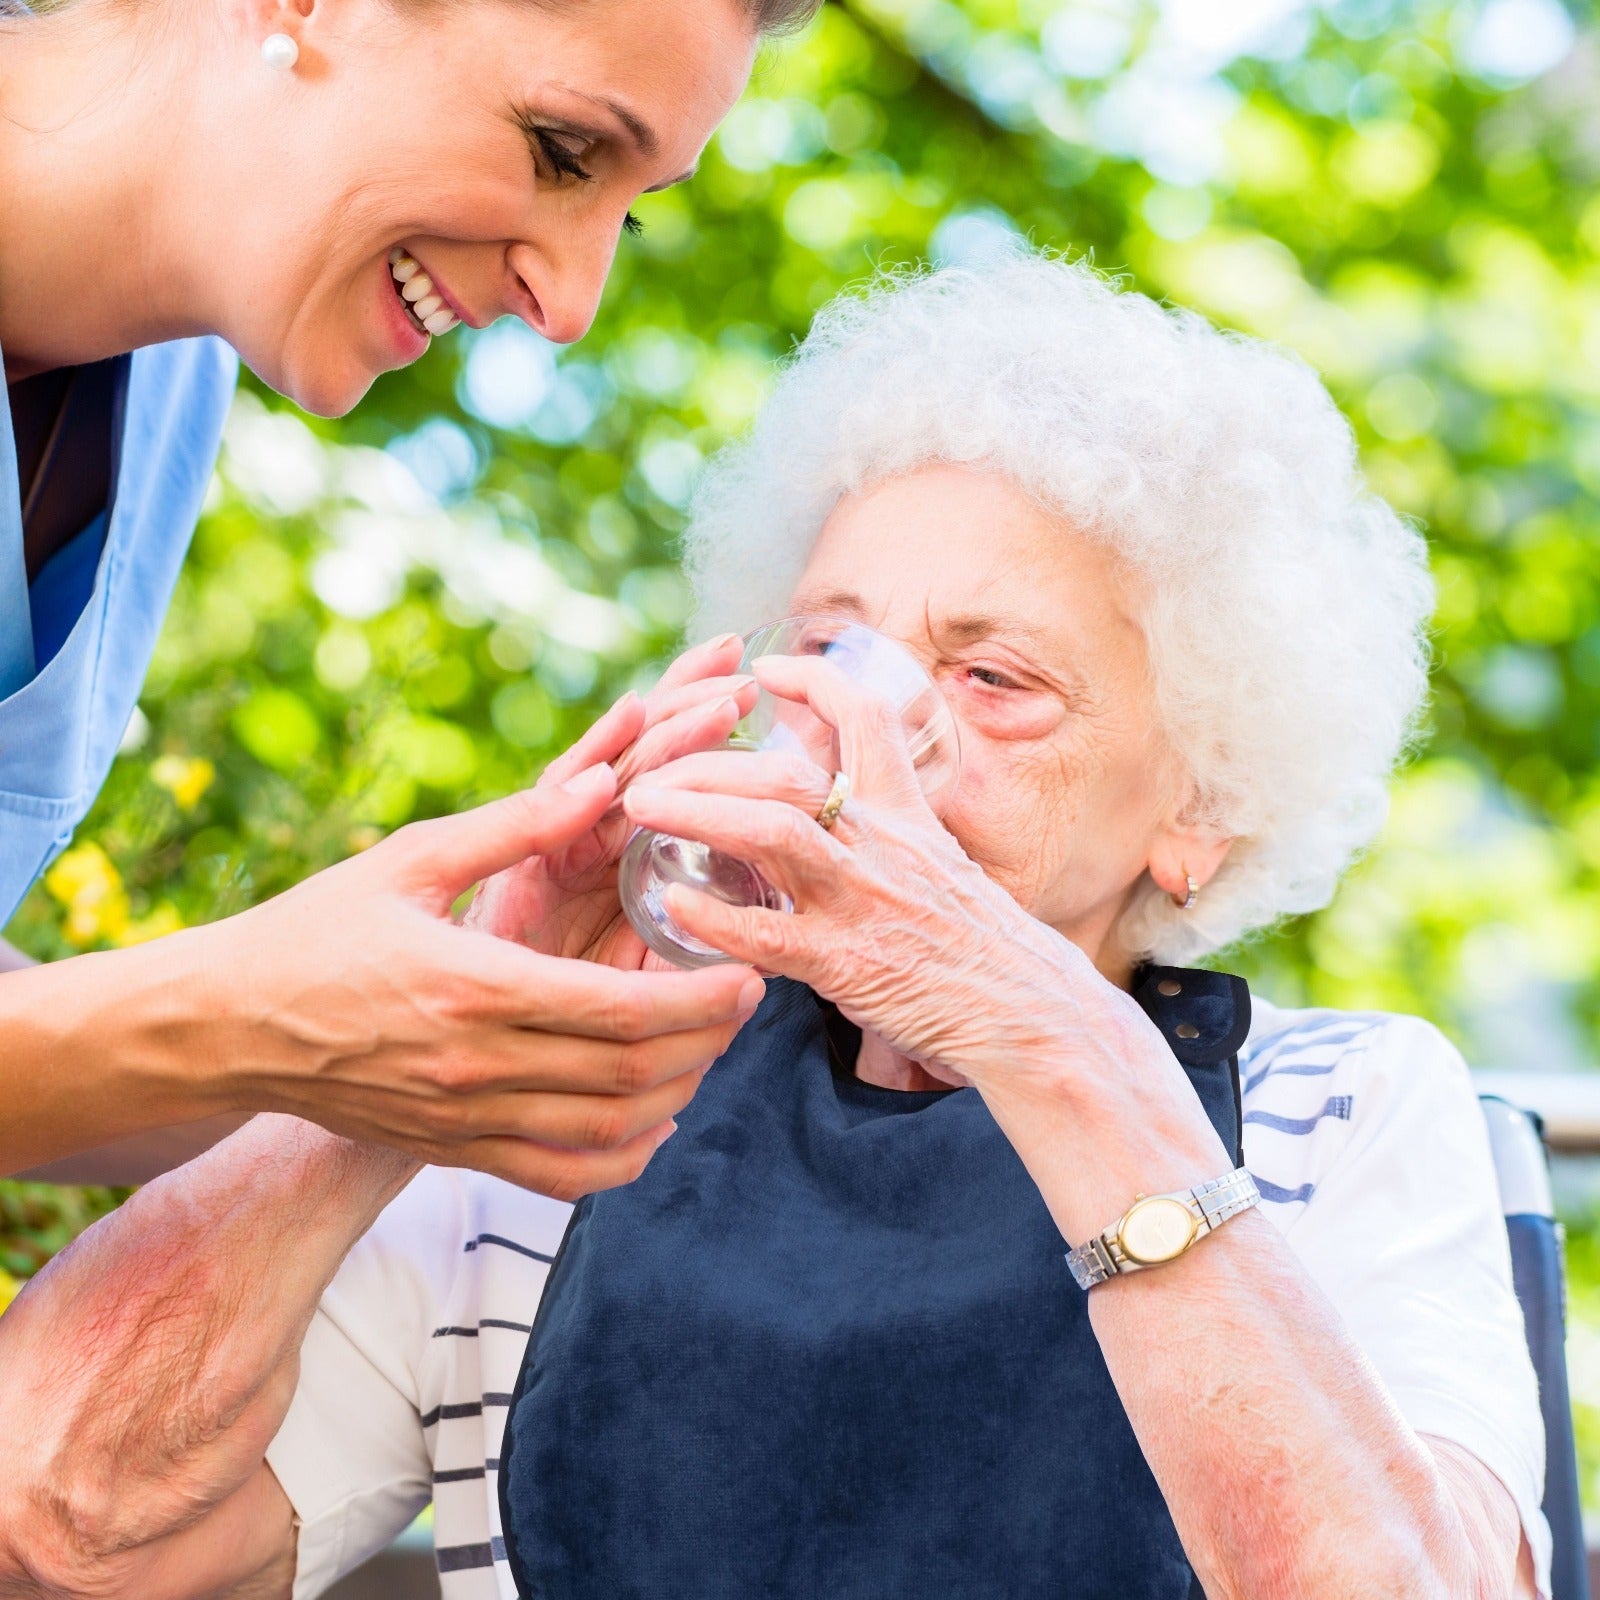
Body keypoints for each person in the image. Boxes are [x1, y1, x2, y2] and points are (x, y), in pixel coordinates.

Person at [0, 256, 1546, 1599]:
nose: (874, 723)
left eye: (995, 680)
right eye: (829, 650)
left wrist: (1023, 1022)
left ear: (1197, 809)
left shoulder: (1340, 1112)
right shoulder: (568, 1130)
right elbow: (57, 1522)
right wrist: (441, 1037)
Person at [0, 0, 819, 1188]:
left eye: (627, 216)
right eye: (562, 150)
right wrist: (247, 1015)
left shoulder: (171, 390)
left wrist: (439, 1024)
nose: (574, 304)